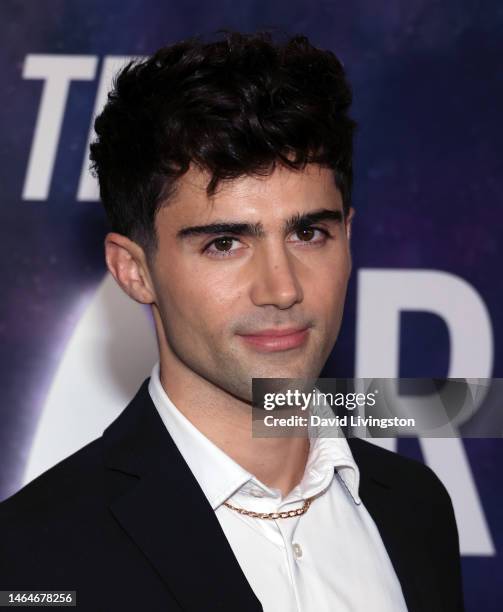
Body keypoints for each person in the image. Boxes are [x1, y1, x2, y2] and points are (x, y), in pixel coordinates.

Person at [0, 31, 463, 611]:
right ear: (133, 270)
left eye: (309, 233)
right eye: (224, 243)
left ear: (348, 236)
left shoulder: (415, 508)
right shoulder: (34, 555)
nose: (283, 287)